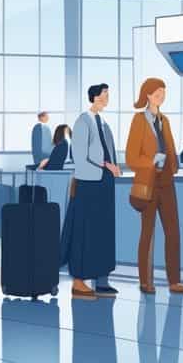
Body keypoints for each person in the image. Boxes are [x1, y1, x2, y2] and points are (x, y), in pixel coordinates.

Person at [127, 77, 183, 296]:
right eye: (157, 93)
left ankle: (174, 281)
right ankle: (146, 281)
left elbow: (170, 148)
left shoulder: (165, 120)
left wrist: (174, 168)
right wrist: (151, 161)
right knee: (148, 232)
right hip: (148, 183)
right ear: (147, 95)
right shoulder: (139, 120)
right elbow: (131, 157)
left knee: (173, 232)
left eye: (163, 92)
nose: (160, 96)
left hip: (166, 182)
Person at [62, 84, 120, 300]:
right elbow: (80, 154)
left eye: (108, 94)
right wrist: (106, 165)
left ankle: (101, 279)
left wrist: (113, 168)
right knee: (84, 231)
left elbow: (109, 151)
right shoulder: (83, 121)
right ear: (94, 97)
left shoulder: (104, 124)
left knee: (103, 231)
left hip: (105, 183)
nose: (107, 97)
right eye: (104, 94)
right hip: (88, 182)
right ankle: (78, 281)